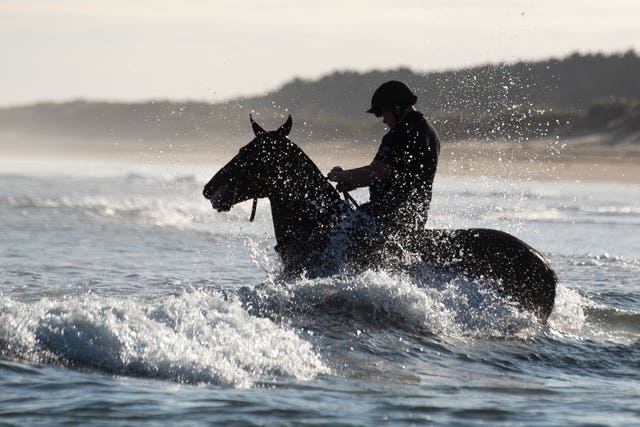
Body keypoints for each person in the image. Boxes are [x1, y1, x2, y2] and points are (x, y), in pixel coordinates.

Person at [328, 80, 440, 242]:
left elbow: (377, 171)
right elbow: (398, 173)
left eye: (383, 113)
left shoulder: (399, 134)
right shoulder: (429, 131)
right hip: (414, 220)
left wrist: (342, 176)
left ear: (397, 107)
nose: (383, 120)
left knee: (333, 232)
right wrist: (355, 181)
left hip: (384, 218)